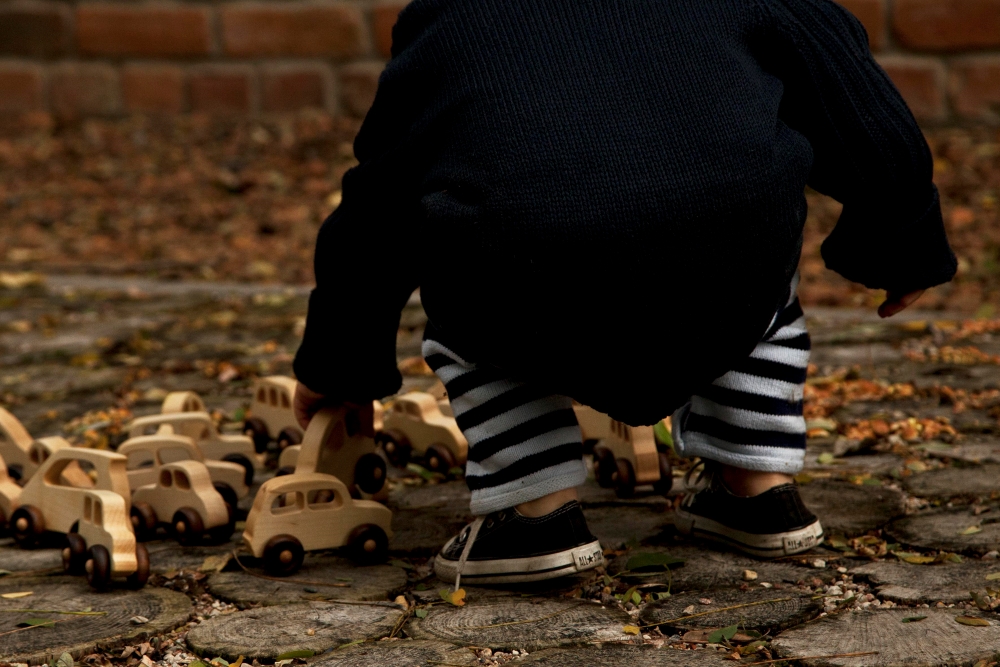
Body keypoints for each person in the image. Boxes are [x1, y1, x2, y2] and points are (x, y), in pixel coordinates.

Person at [292, 0, 956, 585]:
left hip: (526, 287)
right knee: (757, 255)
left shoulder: (446, 16)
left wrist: (339, 362)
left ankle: (534, 514)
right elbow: (859, 103)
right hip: (724, 275)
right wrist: (904, 243)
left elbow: (379, 203)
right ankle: (757, 488)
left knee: (465, 276)